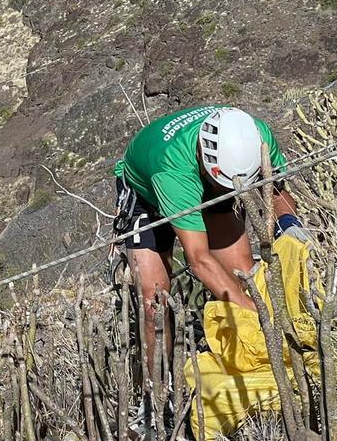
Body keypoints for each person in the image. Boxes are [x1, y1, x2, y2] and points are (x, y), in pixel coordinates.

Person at [113, 106, 308, 363]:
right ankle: (156, 394)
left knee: (246, 278)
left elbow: (276, 191)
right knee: (153, 301)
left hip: (210, 187)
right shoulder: (173, 171)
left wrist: (290, 225)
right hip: (148, 197)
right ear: (204, 160)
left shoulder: (256, 136)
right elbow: (199, 259)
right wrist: (256, 312)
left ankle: (250, 361)